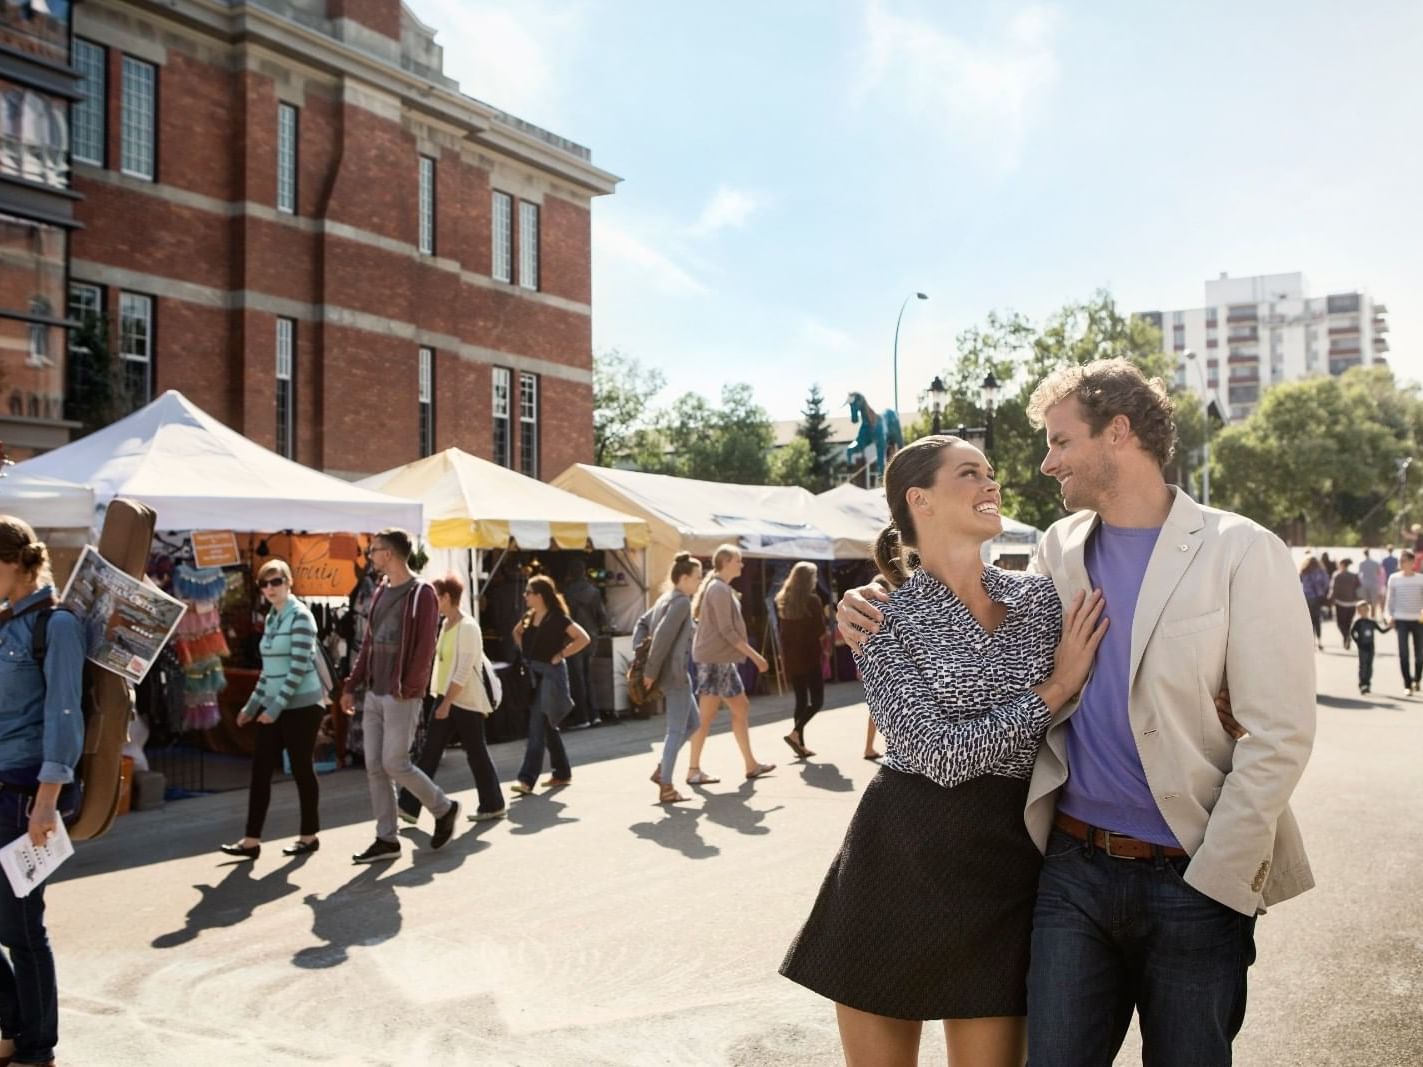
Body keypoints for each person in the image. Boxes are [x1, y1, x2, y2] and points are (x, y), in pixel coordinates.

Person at [838, 359, 1315, 1066]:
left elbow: (1278, 734)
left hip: (1191, 870)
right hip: (1069, 868)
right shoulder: (1056, 551)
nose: (1043, 460)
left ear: (1117, 432)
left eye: (1060, 441)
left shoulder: (1241, 549)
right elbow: (988, 643)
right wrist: (864, 602)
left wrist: (1218, 877)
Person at [781, 436, 1106, 1067]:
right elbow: (937, 755)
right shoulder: (881, 615)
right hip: (898, 858)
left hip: (1008, 861)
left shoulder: (1041, 601)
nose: (992, 484)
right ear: (919, 500)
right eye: (970, 473)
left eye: (991, 472)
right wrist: (1054, 688)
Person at [0, 519, 83, 1067]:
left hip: (27, 792)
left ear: (14, 563)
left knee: (21, 927)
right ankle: (12, 1026)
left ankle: (35, 1045)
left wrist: (47, 803)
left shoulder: (56, 627)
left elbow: (64, 717)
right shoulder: (7, 624)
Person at [340, 528, 461, 862]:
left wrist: (412, 686)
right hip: (375, 691)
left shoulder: (421, 592)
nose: (371, 556)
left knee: (395, 762)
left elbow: (426, 644)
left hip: (401, 692)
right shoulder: (381, 591)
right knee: (375, 766)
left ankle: (443, 807)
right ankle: (387, 839)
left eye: (374, 550)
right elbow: (368, 642)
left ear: (388, 553)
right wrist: (352, 684)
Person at [220, 560, 324, 859]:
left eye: (275, 582)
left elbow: (299, 666)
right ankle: (251, 841)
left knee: (302, 768)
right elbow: (268, 671)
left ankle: (309, 835)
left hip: (302, 706)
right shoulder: (272, 619)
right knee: (260, 770)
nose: (269, 589)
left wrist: (275, 707)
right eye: (264, 584)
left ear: (288, 582)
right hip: (274, 706)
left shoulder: (301, 616)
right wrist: (251, 707)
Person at [397, 574, 506, 824]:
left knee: (475, 752)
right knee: (430, 752)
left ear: (447, 597)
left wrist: (446, 702)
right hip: (445, 696)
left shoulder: (468, 627)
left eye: (436, 596)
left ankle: (493, 803)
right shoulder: (445, 625)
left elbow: (464, 669)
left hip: (464, 700)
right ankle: (409, 806)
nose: (433, 601)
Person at [686, 545, 774, 784]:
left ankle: (751, 764)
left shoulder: (720, 587)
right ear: (725, 562)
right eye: (738, 560)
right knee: (706, 715)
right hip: (715, 659)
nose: (742, 565)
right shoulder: (718, 589)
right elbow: (727, 631)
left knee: (741, 708)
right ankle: (693, 769)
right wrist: (756, 656)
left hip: (721, 659)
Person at [511, 575, 590, 794]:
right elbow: (516, 632)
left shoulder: (558, 618)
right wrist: (526, 654)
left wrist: (561, 654)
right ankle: (562, 772)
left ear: (540, 595)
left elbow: (583, 638)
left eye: (528, 592)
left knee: (537, 723)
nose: (525, 595)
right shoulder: (529, 616)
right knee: (547, 724)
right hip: (532, 673)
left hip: (551, 675)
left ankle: (526, 779)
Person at [642, 552, 702, 804]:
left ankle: (662, 769)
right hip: (674, 675)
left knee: (694, 723)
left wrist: (642, 657)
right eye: (697, 578)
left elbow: (641, 625)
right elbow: (662, 638)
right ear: (685, 578)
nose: (700, 582)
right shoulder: (680, 603)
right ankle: (666, 785)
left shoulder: (665, 599)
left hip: (676, 674)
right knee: (676, 730)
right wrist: (649, 671)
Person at [775, 561, 828, 759]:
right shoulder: (812, 601)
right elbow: (820, 631)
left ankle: (800, 744)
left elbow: (784, 633)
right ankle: (795, 734)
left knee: (801, 701)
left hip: (792, 657)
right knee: (817, 701)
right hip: (810, 656)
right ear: (808, 580)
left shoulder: (784, 600)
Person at [562, 559, 611, 727]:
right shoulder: (594, 591)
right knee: (588, 677)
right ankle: (594, 714)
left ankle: (582, 717)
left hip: (573, 638)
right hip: (591, 637)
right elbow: (602, 617)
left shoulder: (567, 592)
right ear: (584, 572)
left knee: (577, 678)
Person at [1384, 549, 1423, 696]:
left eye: (1404, 561)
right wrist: (1388, 616)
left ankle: (1417, 679)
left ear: (1412, 562)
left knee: (1419, 655)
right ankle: (1407, 684)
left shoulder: (1420, 579)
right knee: (1404, 654)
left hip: (1418, 621)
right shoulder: (1394, 578)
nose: (1401, 563)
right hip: (1401, 620)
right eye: (1400, 561)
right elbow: (1389, 600)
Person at [1350, 600, 1389, 695]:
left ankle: (1367, 683)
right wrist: (1357, 641)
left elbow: (1382, 631)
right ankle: (1362, 684)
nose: (1363, 612)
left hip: (1370, 646)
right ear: (1358, 611)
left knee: (1369, 666)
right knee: (1363, 665)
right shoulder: (1358, 622)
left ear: (1368, 610)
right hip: (1362, 647)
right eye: (1361, 610)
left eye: (1365, 610)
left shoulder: (1371, 622)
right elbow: (1352, 633)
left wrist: (1390, 626)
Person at [1328, 558, 1361, 650]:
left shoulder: (1337, 575)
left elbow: (1333, 589)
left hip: (1340, 603)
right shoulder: (1354, 575)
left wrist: (1330, 601)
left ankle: (1346, 636)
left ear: (1342, 564)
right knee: (1348, 623)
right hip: (1352, 603)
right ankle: (1346, 638)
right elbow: (1358, 587)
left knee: (1340, 623)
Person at [1299, 554, 1328, 650]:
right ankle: (1320, 641)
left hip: (1306, 598)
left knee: (1309, 621)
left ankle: (1312, 642)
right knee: (1317, 620)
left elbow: (1299, 583)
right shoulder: (1321, 571)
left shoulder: (1303, 571)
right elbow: (1326, 583)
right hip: (1317, 599)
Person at [1357, 549, 1382, 615]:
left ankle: (1365, 616)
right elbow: (1379, 573)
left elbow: (1359, 573)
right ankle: (1373, 616)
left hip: (1364, 583)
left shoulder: (1361, 563)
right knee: (1373, 602)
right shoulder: (1375, 562)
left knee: (1365, 602)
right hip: (1373, 583)